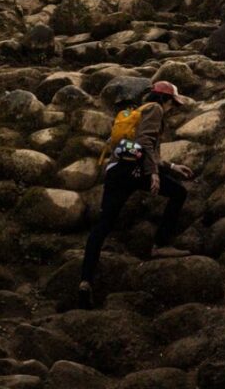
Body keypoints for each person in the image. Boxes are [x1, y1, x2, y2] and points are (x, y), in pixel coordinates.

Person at [78, 81, 197, 309]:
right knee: (179, 193)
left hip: (116, 171)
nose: (173, 108)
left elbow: (138, 148)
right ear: (166, 99)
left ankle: (85, 280)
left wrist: (171, 167)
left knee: (103, 225)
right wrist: (153, 174)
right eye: (173, 103)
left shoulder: (138, 111)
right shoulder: (155, 109)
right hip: (137, 170)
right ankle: (160, 244)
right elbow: (144, 145)